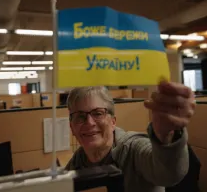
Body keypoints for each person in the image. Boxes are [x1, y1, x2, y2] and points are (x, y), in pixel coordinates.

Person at [65, 81, 196, 192]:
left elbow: (169, 173)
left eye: (98, 114)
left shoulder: (133, 149)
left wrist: (167, 135)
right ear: (72, 127)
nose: (89, 122)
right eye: (80, 116)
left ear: (113, 122)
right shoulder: (77, 162)